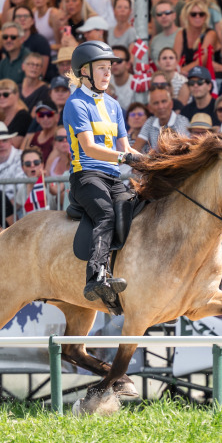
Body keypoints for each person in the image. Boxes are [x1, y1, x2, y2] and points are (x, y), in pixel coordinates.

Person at [61, 40, 138, 306]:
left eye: (109, 68)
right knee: (105, 214)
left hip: (113, 178)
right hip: (86, 175)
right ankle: (96, 276)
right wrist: (125, 158)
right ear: (85, 71)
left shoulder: (114, 106)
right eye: (102, 68)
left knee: (135, 210)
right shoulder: (76, 104)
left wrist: (152, 161)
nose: (108, 73)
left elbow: (126, 148)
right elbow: (89, 148)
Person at [133, 87, 191, 153]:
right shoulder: (150, 122)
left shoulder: (182, 122)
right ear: (150, 108)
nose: (160, 106)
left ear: (171, 104)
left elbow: (184, 151)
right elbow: (136, 148)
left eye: (164, 101)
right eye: (156, 103)